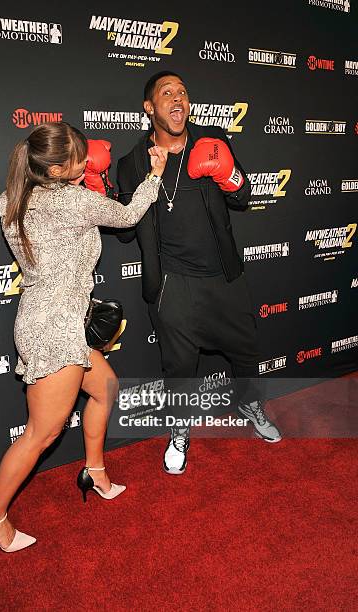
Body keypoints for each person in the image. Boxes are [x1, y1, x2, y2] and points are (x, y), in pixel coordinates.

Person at [0, 122, 167, 552]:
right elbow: (129, 215)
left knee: (105, 388)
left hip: (51, 319)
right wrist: (155, 174)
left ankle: (94, 471)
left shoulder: (18, 198)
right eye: (80, 156)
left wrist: (80, 180)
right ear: (59, 169)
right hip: (56, 328)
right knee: (41, 434)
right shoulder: (73, 201)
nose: (87, 159)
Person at [116, 71, 282, 476]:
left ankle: (248, 403)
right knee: (179, 369)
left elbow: (243, 196)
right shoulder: (133, 162)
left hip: (223, 278)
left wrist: (228, 174)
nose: (178, 99)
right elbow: (123, 231)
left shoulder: (213, 141)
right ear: (149, 108)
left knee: (247, 354)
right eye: (166, 93)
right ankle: (180, 429)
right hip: (172, 285)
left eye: (183, 92)